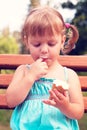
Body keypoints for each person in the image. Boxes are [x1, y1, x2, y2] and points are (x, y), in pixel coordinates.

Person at [6, 6, 84, 130]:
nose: (44, 50)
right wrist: (30, 77)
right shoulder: (24, 71)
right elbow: (10, 101)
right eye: (36, 44)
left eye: (51, 44)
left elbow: (79, 112)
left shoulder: (69, 75)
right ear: (27, 42)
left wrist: (65, 106)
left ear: (62, 41)